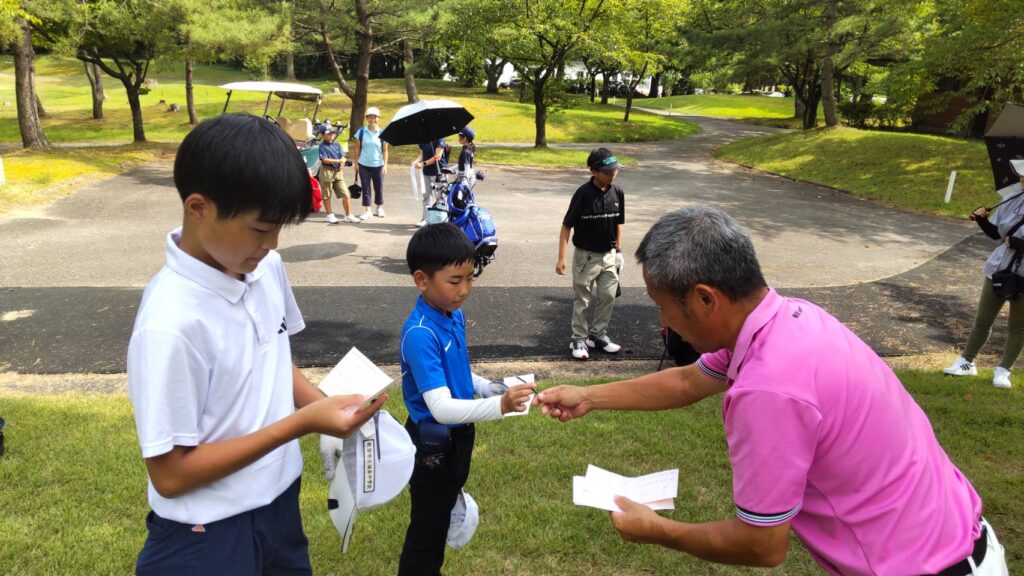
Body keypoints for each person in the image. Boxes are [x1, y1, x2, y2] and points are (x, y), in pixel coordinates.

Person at [536, 205, 1008, 576]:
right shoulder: (787, 317)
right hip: (960, 543)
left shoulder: (768, 390)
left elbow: (762, 545)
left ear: (705, 298)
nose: (664, 323)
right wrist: (590, 395)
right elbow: (688, 379)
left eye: (664, 308)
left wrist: (658, 530)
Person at [127, 113, 386, 575]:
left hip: (279, 504)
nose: (272, 243)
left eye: (280, 229)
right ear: (199, 207)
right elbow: (170, 476)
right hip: (205, 534)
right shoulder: (170, 323)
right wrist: (302, 423)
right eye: (260, 228)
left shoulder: (264, 268)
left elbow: (270, 357)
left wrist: (329, 407)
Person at [397, 223, 535, 576]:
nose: (464, 290)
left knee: (441, 511)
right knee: (426, 532)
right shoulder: (420, 334)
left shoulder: (452, 315)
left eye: (470, 279)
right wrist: (500, 407)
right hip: (433, 444)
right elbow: (440, 408)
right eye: (454, 281)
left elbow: (456, 371)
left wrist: (486, 387)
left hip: (459, 436)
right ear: (421, 280)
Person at [945, 159, 1024, 388]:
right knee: (983, 320)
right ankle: (967, 362)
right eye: (1020, 176)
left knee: (1018, 327)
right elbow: (997, 235)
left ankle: (1003, 371)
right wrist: (981, 220)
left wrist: (1020, 244)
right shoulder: (1011, 200)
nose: (1020, 180)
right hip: (999, 269)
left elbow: (1014, 241)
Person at [556, 147, 625, 360]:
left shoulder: (617, 192)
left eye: (615, 170)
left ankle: (597, 336)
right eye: (608, 171)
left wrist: (618, 252)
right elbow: (567, 226)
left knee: (608, 296)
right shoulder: (583, 194)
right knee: (582, 298)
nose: (613, 174)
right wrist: (562, 257)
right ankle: (578, 338)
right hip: (586, 256)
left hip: (609, 255)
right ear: (594, 171)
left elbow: (618, 224)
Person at [350, 106, 389, 220]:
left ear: (378, 118)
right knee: (366, 187)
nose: (372, 119)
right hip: (363, 164)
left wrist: (385, 165)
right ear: (367, 118)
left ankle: (379, 208)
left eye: (374, 117)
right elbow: (357, 149)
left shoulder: (382, 133)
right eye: (370, 117)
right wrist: (356, 163)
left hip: (378, 164)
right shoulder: (361, 132)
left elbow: (385, 150)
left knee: (379, 187)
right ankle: (368, 210)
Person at [318, 124, 359, 224]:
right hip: (327, 172)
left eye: (332, 133)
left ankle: (348, 215)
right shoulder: (322, 146)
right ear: (323, 135)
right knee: (327, 194)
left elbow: (343, 157)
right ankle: (329, 215)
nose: (331, 135)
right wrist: (338, 160)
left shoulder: (337, 144)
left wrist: (342, 163)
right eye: (328, 134)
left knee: (345, 193)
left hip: (338, 172)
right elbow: (324, 159)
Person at [414, 138, 445, 228]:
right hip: (426, 173)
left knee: (440, 197)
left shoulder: (439, 139)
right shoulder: (422, 139)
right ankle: (426, 218)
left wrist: (423, 164)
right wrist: (416, 162)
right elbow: (421, 154)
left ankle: (440, 220)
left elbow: (437, 156)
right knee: (426, 196)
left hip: (438, 173)